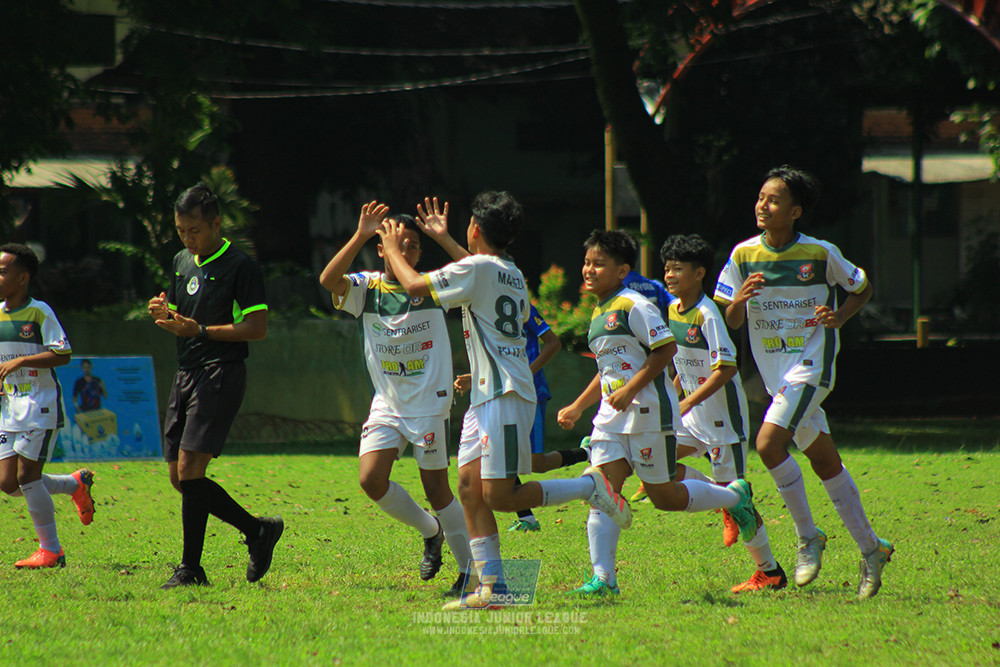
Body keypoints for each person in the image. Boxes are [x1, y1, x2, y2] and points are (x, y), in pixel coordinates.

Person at [378, 194, 631, 610]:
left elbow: (414, 286)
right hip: (486, 396)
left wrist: (391, 249)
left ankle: (591, 486)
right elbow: (473, 269)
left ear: (475, 228)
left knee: (500, 496)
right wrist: (443, 239)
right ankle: (492, 589)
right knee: (469, 489)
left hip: (505, 393)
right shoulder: (506, 269)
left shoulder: (480, 268)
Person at [714, 165, 893, 599]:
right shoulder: (742, 255)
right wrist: (739, 300)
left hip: (813, 366)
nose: (762, 205)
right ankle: (873, 549)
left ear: (794, 211)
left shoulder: (820, 253)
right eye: (761, 197)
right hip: (777, 374)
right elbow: (731, 318)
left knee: (768, 445)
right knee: (825, 462)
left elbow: (862, 287)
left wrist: (841, 317)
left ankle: (807, 535)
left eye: (773, 200)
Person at [556, 230, 759, 597]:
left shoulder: (635, 305)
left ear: (622, 271)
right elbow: (608, 368)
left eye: (598, 264)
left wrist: (631, 390)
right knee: (602, 492)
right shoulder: (600, 309)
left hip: (649, 414)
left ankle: (733, 497)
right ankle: (603, 580)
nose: (588, 269)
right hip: (610, 419)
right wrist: (578, 406)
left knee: (664, 497)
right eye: (586, 262)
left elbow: (664, 351)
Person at [319, 201, 472, 597]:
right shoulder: (366, 288)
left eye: (414, 246)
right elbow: (327, 280)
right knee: (370, 479)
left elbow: (477, 273)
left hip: (430, 404)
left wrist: (443, 237)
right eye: (396, 243)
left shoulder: (433, 286)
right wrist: (360, 234)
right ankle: (430, 531)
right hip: (387, 403)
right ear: (380, 248)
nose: (406, 251)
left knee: (437, 490)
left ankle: (471, 570)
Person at [148, 184, 282, 590]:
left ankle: (190, 569)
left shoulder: (241, 267)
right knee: (179, 478)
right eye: (181, 231)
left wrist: (200, 329)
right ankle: (257, 532)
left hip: (221, 371)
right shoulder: (180, 261)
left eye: (195, 231)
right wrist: (163, 311)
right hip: (185, 372)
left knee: (191, 471)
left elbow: (256, 329)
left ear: (217, 224)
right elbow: (180, 313)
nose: (188, 239)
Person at [660, 233, 786, 593]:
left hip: (723, 422)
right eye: (667, 269)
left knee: (740, 500)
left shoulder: (708, 314)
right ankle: (723, 501)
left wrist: (687, 400)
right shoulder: (672, 310)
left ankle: (770, 571)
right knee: (656, 461)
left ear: (699, 273)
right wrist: (673, 393)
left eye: (677, 269)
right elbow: (678, 360)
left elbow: (726, 368)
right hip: (691, 418)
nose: (669, 276)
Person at [455, 303, 590, 533]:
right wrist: (477, 377)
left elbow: (553, 342)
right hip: (497, 395)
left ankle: (587, 455)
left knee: (535, 464)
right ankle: (525, 518)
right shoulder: (482, 304)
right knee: (490, 470)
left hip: (527, 393)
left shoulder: (518, 303)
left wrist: (524, 375)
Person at [0, 243, 95, 569]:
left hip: (40, 406)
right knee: (8, 483)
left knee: (28, 476)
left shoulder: (40, 312)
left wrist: (24, 360)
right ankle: (74, 485)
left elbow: (63, 353)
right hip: (9, 408)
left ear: (23, 277)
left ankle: (51, 551)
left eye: (3, 271)